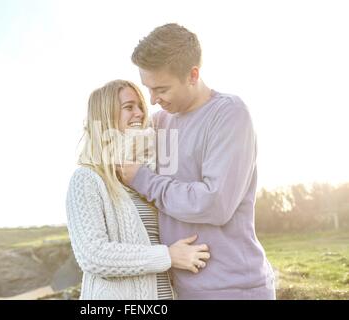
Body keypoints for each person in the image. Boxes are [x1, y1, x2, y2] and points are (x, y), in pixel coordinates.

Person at [118, 23, 276, 299]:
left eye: (162, 89)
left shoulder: (229, 115)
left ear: (193, 75)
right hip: (183, 289)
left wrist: (143, 179)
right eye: (149, 89)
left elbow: (215, 204)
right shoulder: (159, 123)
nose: (153, 100)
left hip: (233, 289)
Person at [66, 79, 210, 300]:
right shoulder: (86, 179)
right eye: (129, 107)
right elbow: (93, 255)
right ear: (105, 115)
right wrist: (168, 256)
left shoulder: (148, 176)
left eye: (141, 106)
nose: (140, 113)